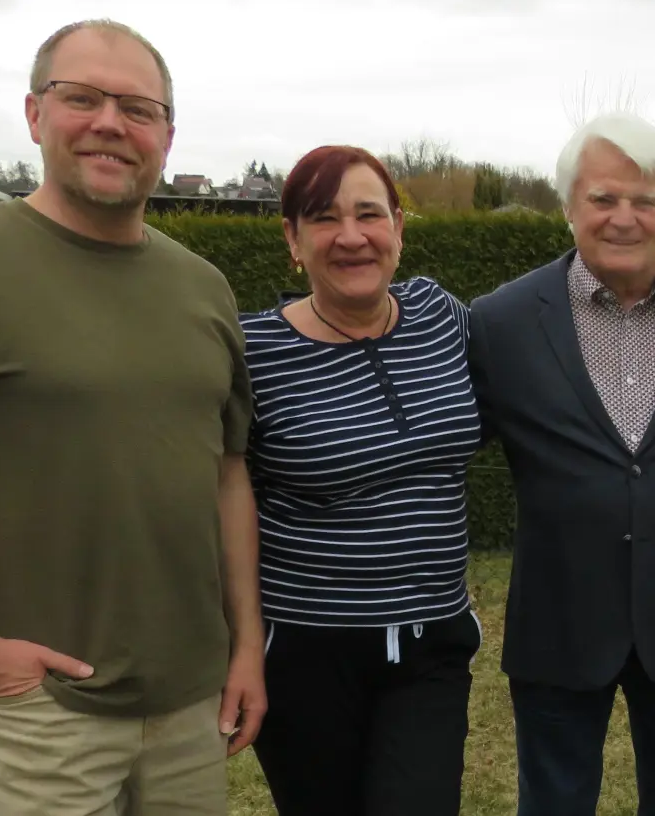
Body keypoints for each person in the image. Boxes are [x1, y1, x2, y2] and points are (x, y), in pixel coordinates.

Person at [0, 19, 264, 815]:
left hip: (192, 700)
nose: (110, 123)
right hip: (46, 707)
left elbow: (228, 472)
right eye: (82, 98)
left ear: (167, 134)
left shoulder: (202, 286)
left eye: (138, 108)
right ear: (35, 115)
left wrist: (246, 650)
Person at [467, 112, 655, 816]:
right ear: (568, 206)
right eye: (602, 198)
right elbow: (444, 452)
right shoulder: (500, 322)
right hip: (557, 626)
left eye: (645, 199)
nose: (623, 217)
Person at [239, 145, 484, 815]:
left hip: (432, 642)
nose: (351, 237)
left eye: (369, 214)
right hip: (305, 653)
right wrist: (238, 648)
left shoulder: (441, 317)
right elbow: (221, 497)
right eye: (323, 218)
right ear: (292, 238)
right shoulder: (252, 351)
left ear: (399, 230)